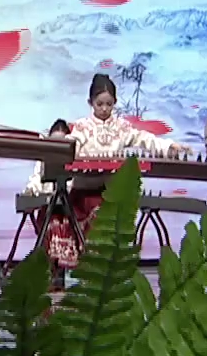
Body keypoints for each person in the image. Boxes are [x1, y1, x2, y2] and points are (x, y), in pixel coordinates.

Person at [42, 78, 191, 272]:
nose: (104, 109)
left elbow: (143, 138)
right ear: (90, 103)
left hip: (110, 193)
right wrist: (59, 148)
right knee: (69, 217)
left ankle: (106, 272)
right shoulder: (83, 127)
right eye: (99, 104)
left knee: (111, 218)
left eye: (109, 104)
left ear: (115, 103)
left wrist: (169, 146)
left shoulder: (121, 128)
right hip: (84, 193)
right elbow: (71, 145)